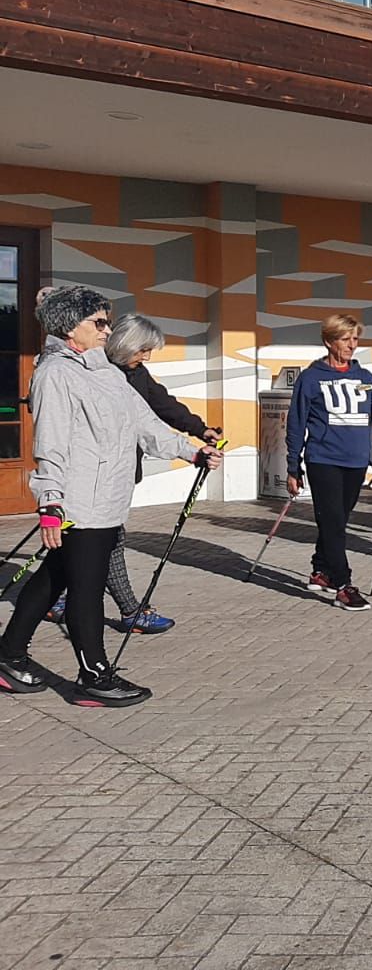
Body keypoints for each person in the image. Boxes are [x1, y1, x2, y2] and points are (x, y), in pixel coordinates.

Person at [0, 287, 221, 707]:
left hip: (109, 499)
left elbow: (144, 423)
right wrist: (50, 503)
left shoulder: (107, 372)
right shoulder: (55, 374)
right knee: (86, 588)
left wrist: (190, 451)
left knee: (53, 578)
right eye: (98, 322)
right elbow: (51, 444)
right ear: (70, 328)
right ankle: (94, 677)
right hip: (78, 502)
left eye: (107, 321)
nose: (107, 330)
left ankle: (8, 654)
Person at [44, 313, 223, 635]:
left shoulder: (136, 374)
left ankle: (58, 599)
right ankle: (129, 610)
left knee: (86, 546)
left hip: (119, 473)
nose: (146, 357)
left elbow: (161, 407)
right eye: (142, 350)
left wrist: (200, 430)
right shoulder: (88, 372)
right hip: (85, 476)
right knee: (107, 543)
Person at [285, 313, 372, 611]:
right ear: (329, 341)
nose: (352, 345)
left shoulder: (366, 379)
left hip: (355, 461)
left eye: (355, 339)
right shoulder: (311, 378)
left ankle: (321, 569)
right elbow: (296, 422)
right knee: (332, 523)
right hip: (322, 459)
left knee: (337, 521)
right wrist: (293, 465)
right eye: (345, 339)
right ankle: (344, 585)